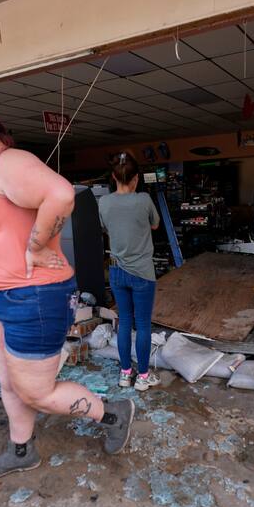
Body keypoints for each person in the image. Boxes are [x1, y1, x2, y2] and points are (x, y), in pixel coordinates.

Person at [0, 90, 134, 479]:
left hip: (33, 299)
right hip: (1, 298)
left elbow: (61, 195)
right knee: (9, 382)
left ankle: (113, 413)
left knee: (36, 392)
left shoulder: (10, 162)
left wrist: (36, 245)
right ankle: (21, 451)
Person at [97, 152, 162, 391]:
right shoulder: (144, 200)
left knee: (124, 322)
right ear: (136, 178)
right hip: (143, 273)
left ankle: (125, 374)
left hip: (117, 272)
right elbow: (155, 224)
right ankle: (143, 377)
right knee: (143, 325)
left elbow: (104, 228)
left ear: (114, 177)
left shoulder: (104, 202)